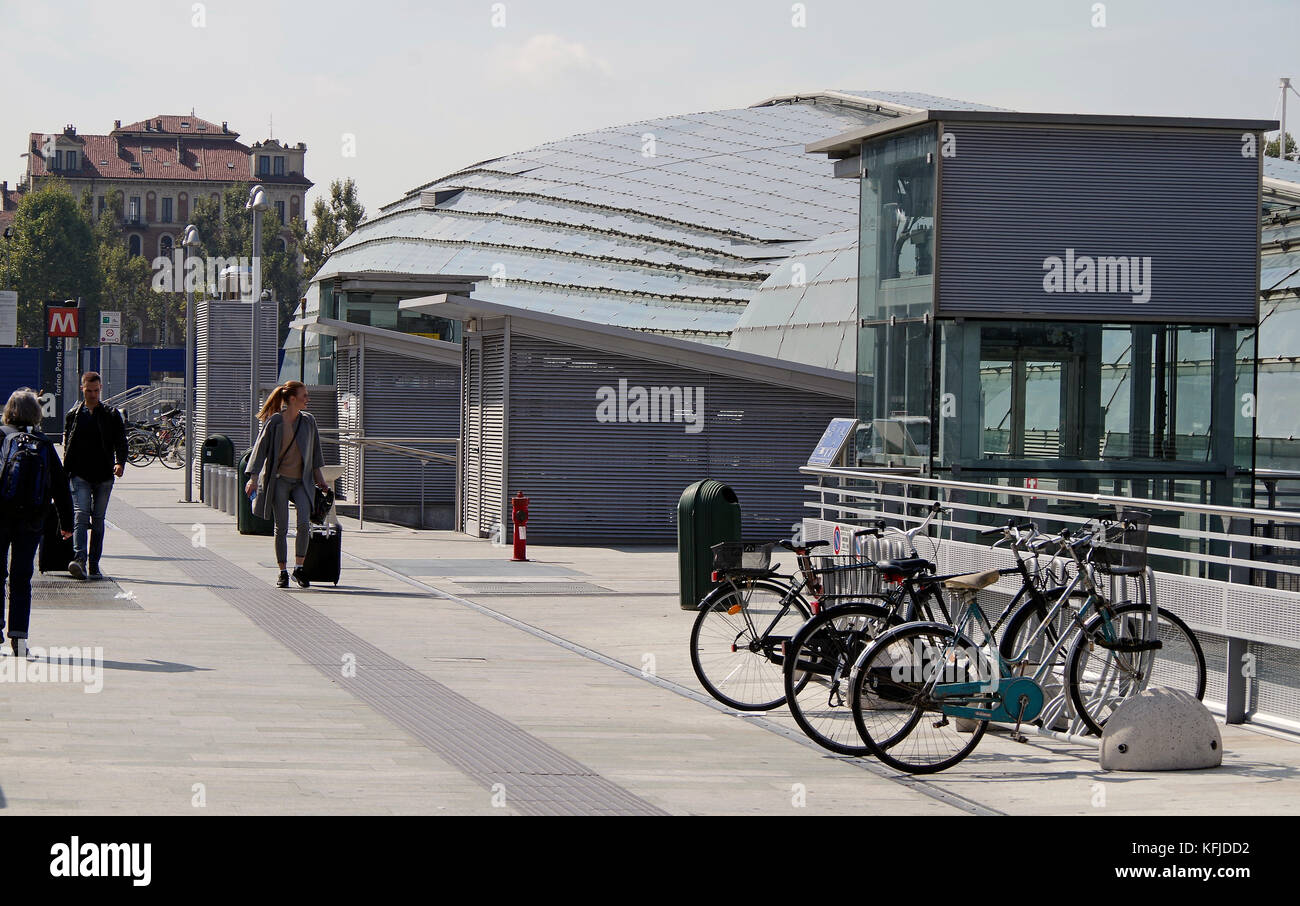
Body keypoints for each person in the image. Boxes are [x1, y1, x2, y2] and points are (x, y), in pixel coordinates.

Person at [0, 389, 74, 658]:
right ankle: (19, 642)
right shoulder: (43, 443)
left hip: (1, 515)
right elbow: (61, 486)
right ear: (36, 413)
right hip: (32, 520)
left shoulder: (1, 436)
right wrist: (67, 523)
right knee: (21, 578)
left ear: (9, 410)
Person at [246, 381, 328, 588]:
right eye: (304, 395)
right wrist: (253, 478)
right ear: (292, 399)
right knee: (281, 526)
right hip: (279, 480)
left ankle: (299, 569)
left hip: (302, 482)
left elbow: (316, 454)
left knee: (303, 524)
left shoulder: (309, 421)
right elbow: (260, 450)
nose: (308, 399)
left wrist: (321, 479)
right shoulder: (275, 422)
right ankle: (282, 572)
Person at [62, 372, 127, 580]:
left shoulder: (111, 414)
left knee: (98, 520)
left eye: (96, 391)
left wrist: (119, 462)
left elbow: (121, 441)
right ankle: (79, 559)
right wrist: (66, 471)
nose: (93, 395)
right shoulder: (74, 415)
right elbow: (68, 445)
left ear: (101, 390)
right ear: (82, 389)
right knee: (80, 515)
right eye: (89, 391)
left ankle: (94, 563)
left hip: (103, 474)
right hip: (80, 474)